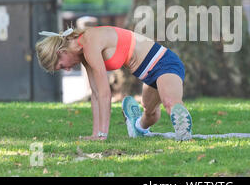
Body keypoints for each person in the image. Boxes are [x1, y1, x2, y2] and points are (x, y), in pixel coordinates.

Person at [35, 26, 193, 141]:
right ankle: (136, 125)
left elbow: (105, 94)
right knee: (151, 114)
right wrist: (95, 134)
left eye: (62, 66)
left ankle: (183, 130)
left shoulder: (89, 43)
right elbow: (96, 95)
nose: (67, 70)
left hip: (163, 63)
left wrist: (103, 135)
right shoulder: (84, 55)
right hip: (147, 75)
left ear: (60, 52)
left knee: (170, 102)